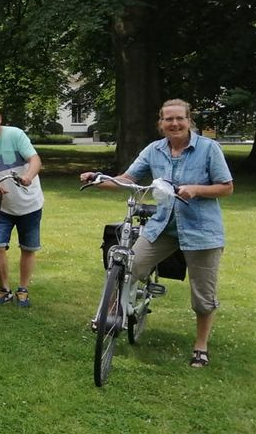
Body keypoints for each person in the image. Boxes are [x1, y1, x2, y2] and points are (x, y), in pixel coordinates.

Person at [80, 99, 233, 368]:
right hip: (162, 227)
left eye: (179, 118)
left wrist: (196, 189)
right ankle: (111, 314)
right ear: (161, 123)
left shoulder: (208, 149)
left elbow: (226, 187)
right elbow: (128, 179)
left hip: (202, 231)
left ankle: (200, 346)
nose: (174, 123)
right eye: (168, 119)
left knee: (202, 296)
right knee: (129, 266)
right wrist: (99, 179)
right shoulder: (154, 150)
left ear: (189, 121)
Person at [0, 105, 44, 308]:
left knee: (28, 247)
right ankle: (4, 289)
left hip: (30, 203)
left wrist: (28, 176)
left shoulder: (15, 135)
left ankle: (23, 289)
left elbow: (35, 159)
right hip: (1, 207)